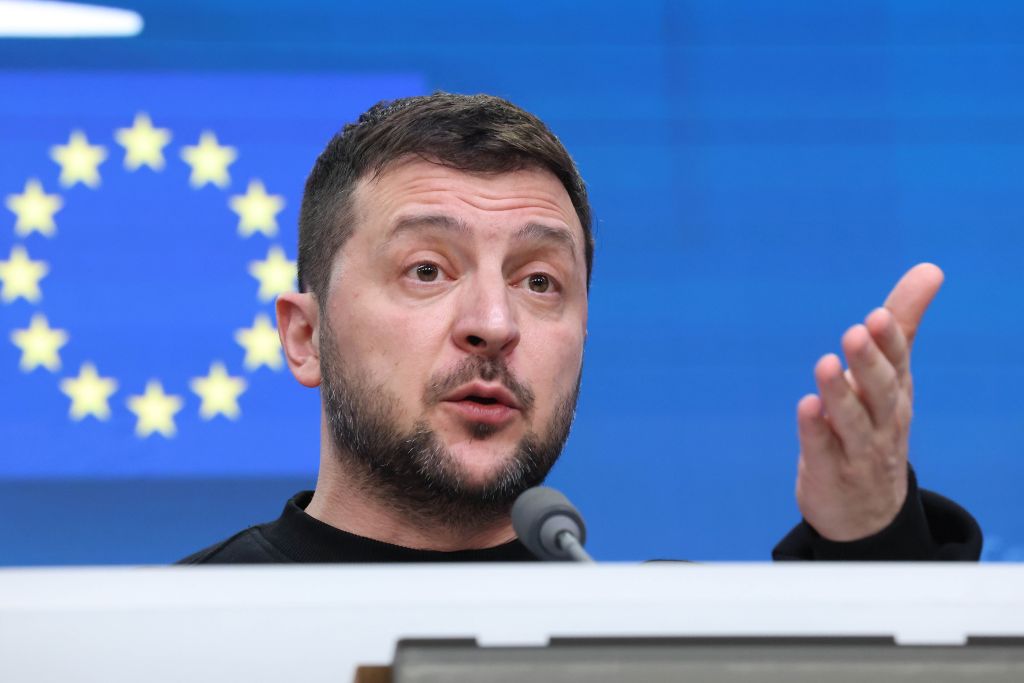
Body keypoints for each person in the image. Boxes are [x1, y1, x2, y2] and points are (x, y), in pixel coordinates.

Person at [180, 93, 981, 564]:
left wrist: (869, 538)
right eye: (427, 270)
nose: (494, 324)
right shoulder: (165, 637)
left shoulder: (657, 643)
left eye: (539, 282)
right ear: (304, 336)